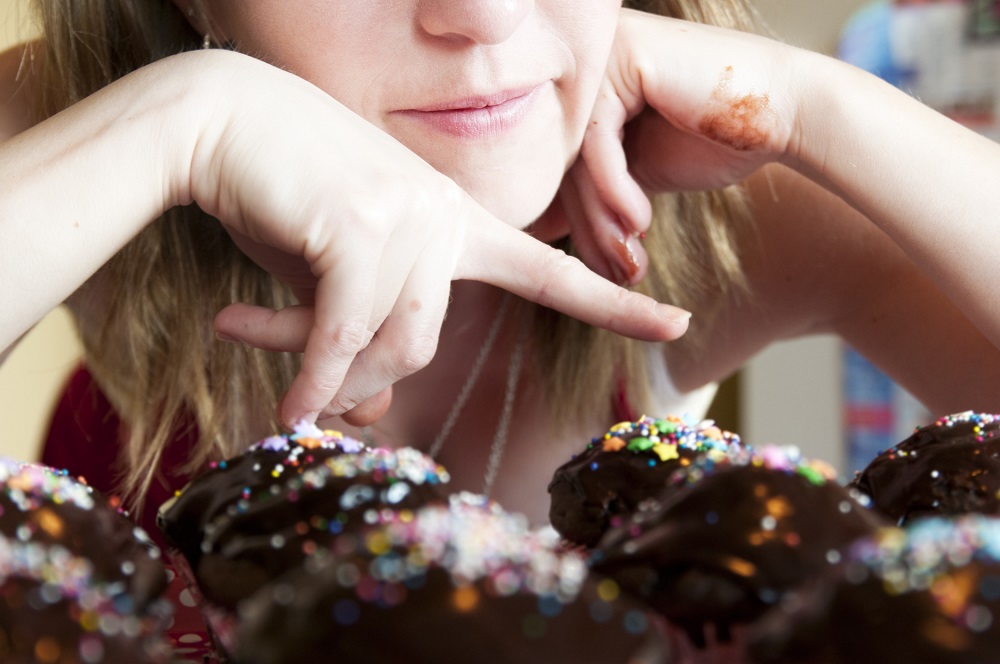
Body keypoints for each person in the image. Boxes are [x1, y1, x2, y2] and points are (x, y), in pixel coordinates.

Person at [2, 0, 1000, 534]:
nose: (484, 14)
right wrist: (181, 124)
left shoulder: (719, 213)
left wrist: (810, 105)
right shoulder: (101, 118)